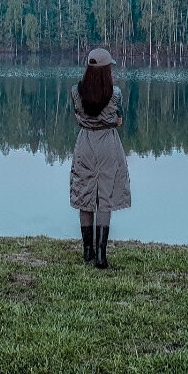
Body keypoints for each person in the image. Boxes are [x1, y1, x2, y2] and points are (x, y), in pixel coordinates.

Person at [70, 48, 131, 269]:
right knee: (105, 196)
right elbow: (118, 119)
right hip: (108, 144)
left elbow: (78, 118)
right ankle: (101, 256)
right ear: (106, 70)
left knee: (85, 192)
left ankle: (87, 250)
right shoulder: (115, 94)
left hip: (85, 143)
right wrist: (113, 122)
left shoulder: (76, 92)